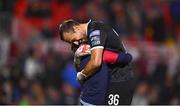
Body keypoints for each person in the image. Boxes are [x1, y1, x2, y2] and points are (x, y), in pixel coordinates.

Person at [59, 19, 135, 105]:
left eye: (73, 39)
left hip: (121, 78)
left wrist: (82, 75)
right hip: (112, 78)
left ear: (76, 28)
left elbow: (96, 62)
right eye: (71, 42)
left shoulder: (95, 31)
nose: (75, 43)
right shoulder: (89, 34)